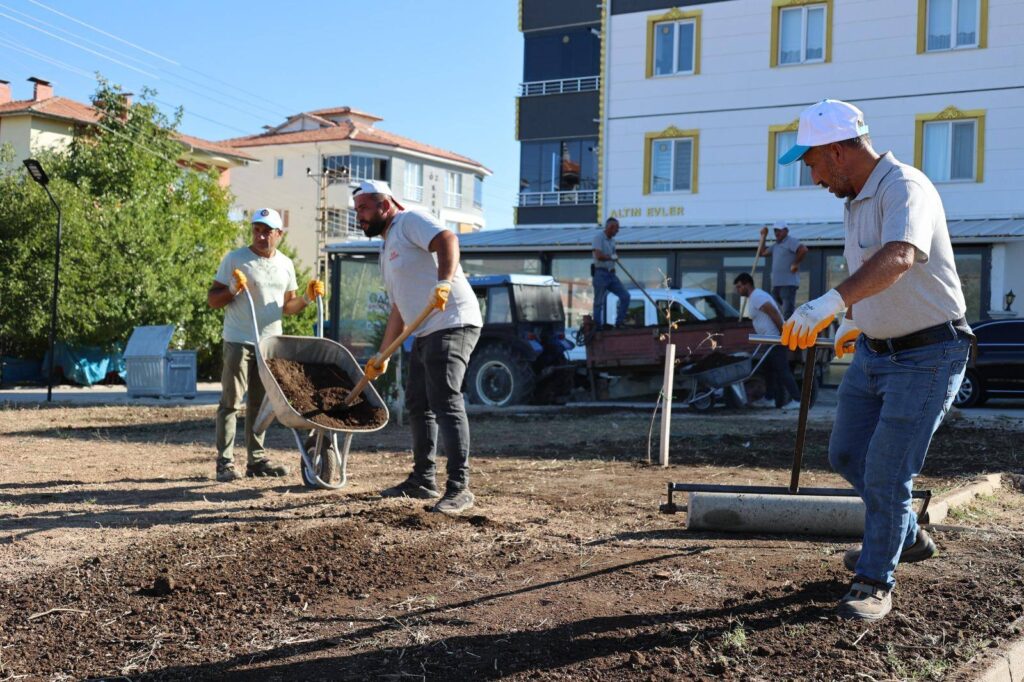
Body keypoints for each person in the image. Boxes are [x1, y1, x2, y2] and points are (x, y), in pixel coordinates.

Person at [779, 99, 972, 621]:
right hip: (874, 352)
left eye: (812, 162)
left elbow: (900, 257)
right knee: (846, 455)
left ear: (838, 151)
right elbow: (871, 270)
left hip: (929, 352)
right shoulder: (855, 200)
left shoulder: (904, 187)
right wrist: (852, 321)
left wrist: (828, 304)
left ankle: (873, 581)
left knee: (888, 471)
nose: (812, 176)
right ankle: (904, 536)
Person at [353, 180, 483, 514]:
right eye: (357, 211)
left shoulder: (409, 221)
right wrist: (383, 354)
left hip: (452, 319)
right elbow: (399, 308)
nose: (360, 217)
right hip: (424, 331)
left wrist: (443, 283)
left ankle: (459, 488)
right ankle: (423, 480)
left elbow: (447, 239)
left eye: (364, 209)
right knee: (418, 403)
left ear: (385, 204)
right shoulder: (386, 247)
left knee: (444, 400)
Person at [207, 208, 325, 483]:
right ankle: (224, 462)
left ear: (279, 234)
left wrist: (307, 298)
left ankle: (256, 460)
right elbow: (213, 299)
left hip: (269, 345)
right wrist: (233, 289)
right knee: (231, 402)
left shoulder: (285, 264)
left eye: (267, 231)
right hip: (238, 341)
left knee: (261, 405)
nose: (261, 236)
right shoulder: (236, 259)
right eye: (257, 230)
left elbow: (288, 306)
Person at [733, 273, 800, 410]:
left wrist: (783, 333)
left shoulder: (757, 296)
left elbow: (773, 312)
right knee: (769, 370)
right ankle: (769, 398)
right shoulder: (754, 297)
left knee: (782, 370)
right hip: (768, 340)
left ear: (747, 284)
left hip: (775, 339)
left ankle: (798, 400)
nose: (738, 290)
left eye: (739, 287)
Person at [760, 220, 808, 319]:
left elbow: (803, 249)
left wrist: (795, 263)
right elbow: (762, 253)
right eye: (775, 231)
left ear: (786, 231)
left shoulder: (790, 241)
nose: (777, 233)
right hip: (777, 284)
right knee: (775, 310)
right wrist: (763, 236)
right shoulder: (776, 245)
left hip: (788, 284)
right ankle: (780, 331)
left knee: (787, 312)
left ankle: (788, 332)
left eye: (779, 231)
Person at [592, 218, 631, 328]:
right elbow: (598, 256)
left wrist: (613, 265)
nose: (617, 231)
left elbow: (614, 256)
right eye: (616, 228)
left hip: (611, 274)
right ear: (610, 227)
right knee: (598, 301)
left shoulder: (612, 241)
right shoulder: (598, 238)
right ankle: (597, 326)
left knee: (625, 296)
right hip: (600, 273)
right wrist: (611, 257)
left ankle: (619, 322)